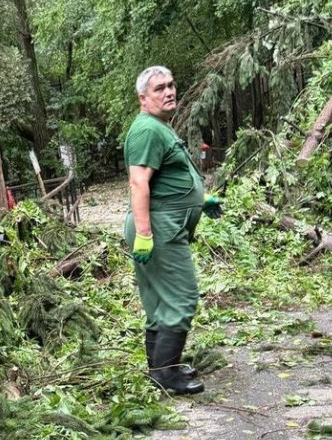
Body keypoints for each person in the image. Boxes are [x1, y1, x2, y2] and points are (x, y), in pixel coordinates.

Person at [123, 66, 223, 395]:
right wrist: (145, 233)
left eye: (171, 85)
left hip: (165, 224)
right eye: (159, 89)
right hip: (159, 228)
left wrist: (199, 197)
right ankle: (167, 375)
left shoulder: (159, 127)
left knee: (159, 302)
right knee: (182, 297)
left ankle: (161, 368)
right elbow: (139, 182)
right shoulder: (148, 130)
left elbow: (167, 177)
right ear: (143, 98)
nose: (169, 92)